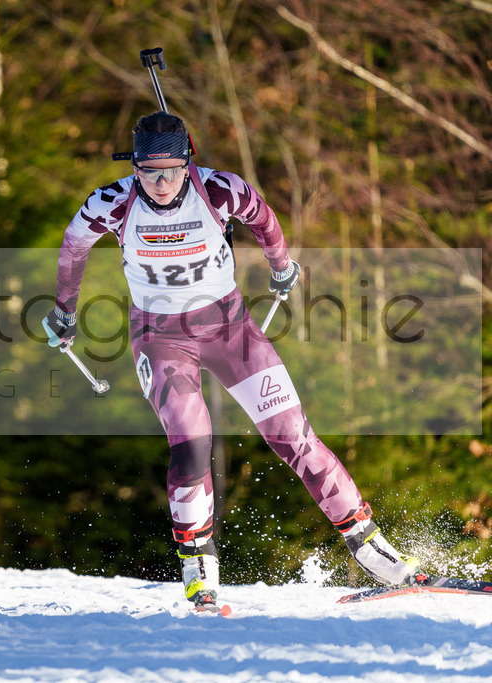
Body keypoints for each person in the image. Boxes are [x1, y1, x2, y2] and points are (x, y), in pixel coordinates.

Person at [42, 111, 419, 611]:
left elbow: (262, 216)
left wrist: (282, 265)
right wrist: (63, 309)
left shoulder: (220, 191)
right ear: (133, 167)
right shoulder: (112, 203)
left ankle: (373, 550)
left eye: (171, 170)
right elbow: (74, 247)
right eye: (148, 171)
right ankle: (199, 568)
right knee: (191, 444)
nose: (159, 182)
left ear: (187, 162)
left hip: (230, 329)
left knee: (293, 435)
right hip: (161, 338)